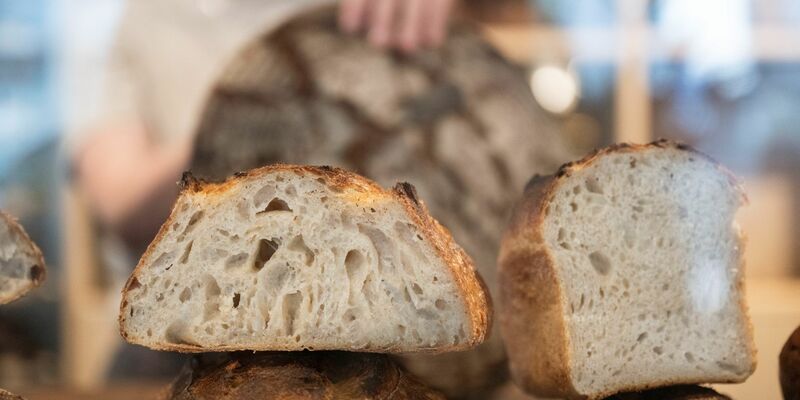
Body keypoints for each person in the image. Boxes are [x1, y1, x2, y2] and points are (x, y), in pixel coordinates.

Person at [74, 0, 457, 253]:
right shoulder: (142, 19)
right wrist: (246, 127)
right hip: (188, 316)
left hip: (372, 289)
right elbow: (124, 205)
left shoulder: (354, 8)